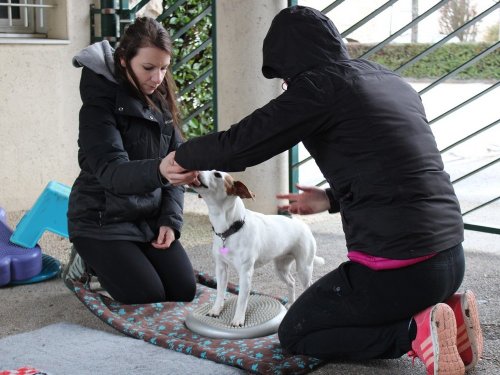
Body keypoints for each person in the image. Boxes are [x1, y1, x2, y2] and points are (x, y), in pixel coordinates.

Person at [159, 5, 483, 374]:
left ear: (292, 64)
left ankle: (414, 333)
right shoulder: (387, 79)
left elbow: (239, 144)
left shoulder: (317, 86)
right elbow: (397, 171)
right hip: (449, 258)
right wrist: (329, 199)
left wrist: (181, 156)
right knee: (353, 309)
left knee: (299, 331)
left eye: (284, 79)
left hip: (398, 272)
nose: (286, 88)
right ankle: (449, 315)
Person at [64, 17, 199, 304]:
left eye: (164, 68)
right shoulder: (97, 106)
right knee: (147, 295)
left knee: (183, 290)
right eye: (148, 68)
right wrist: (160, 171)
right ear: (124, 61)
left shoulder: (160, 99)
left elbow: (177, 168)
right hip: (100, 220)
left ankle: (126, 258)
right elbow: (112, 172)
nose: (158, 78)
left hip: (147, 219)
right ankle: (86, 261)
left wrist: (169, 221)